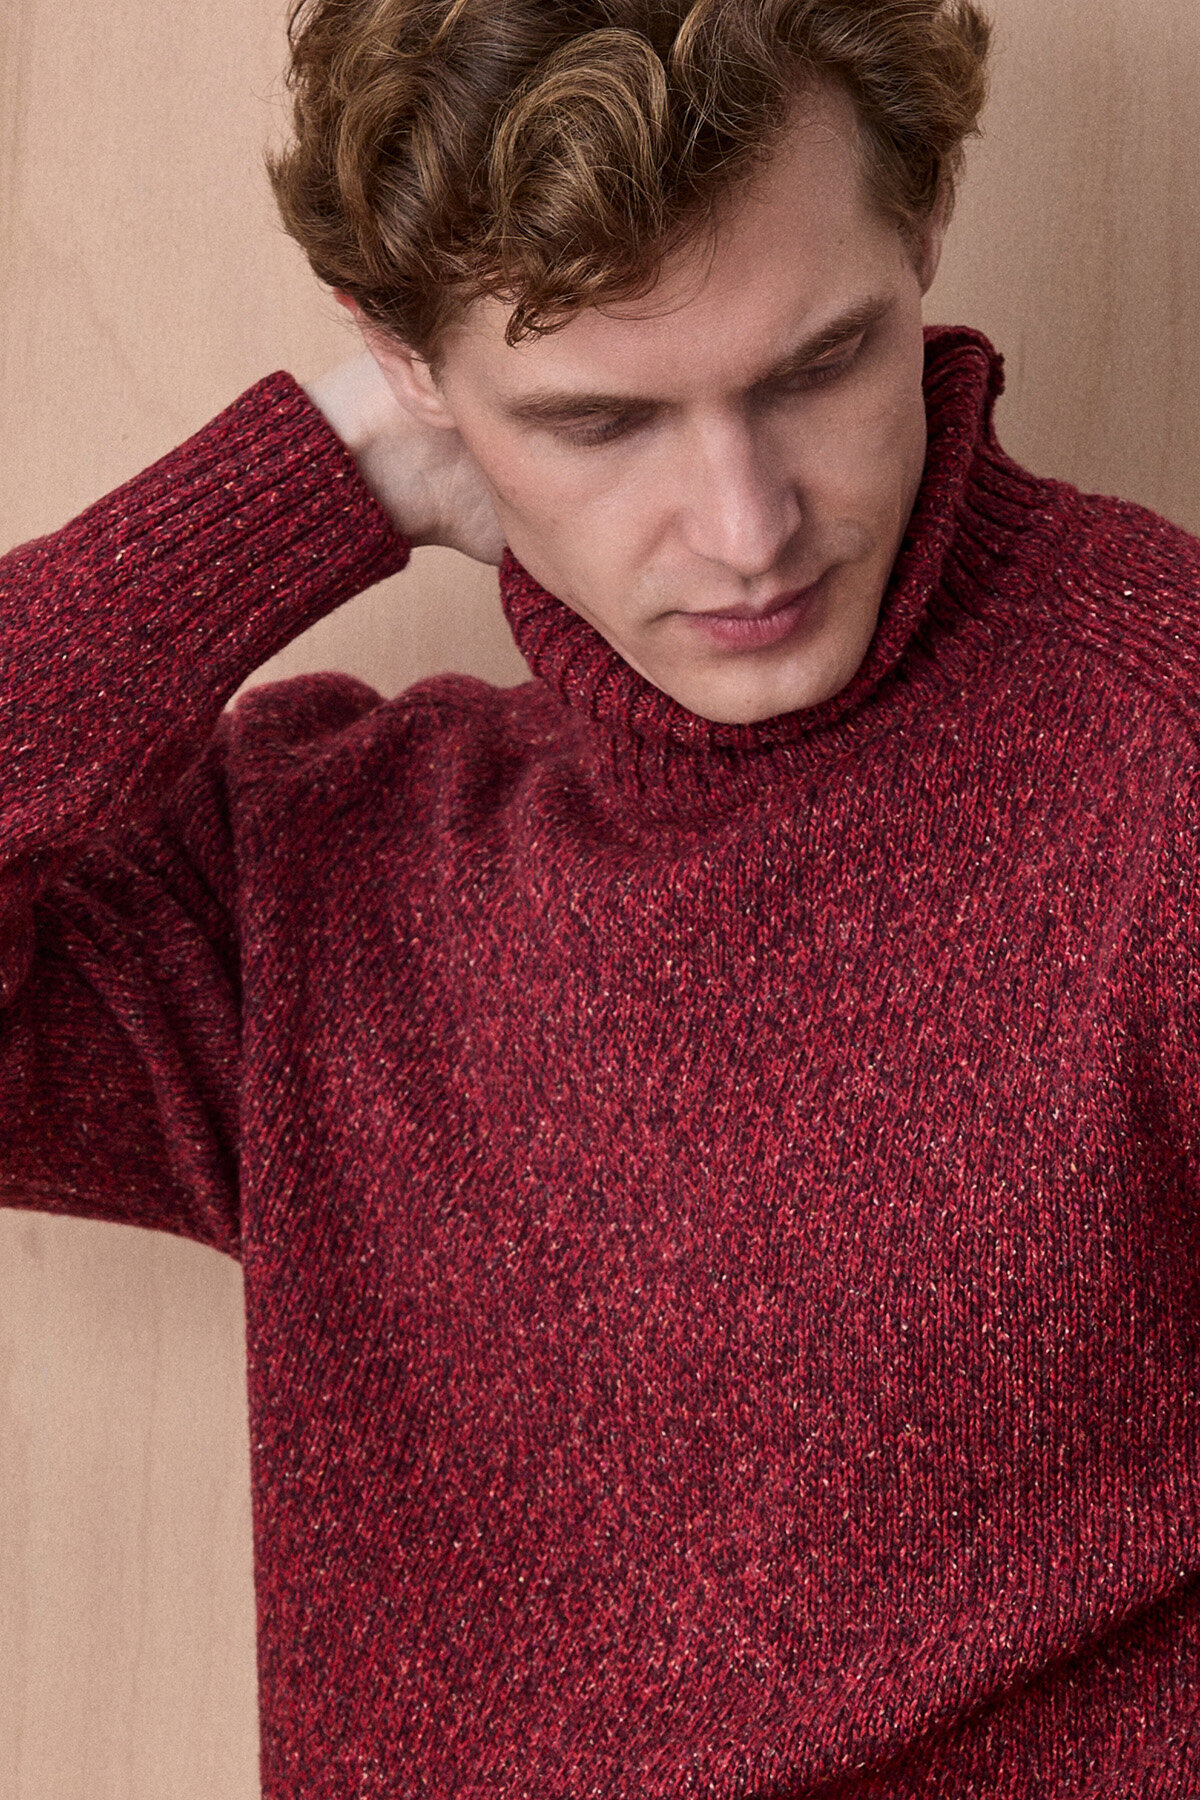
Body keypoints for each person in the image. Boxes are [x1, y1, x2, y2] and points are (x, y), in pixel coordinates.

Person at [4, 0, 1200, 1793]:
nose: (745, 526)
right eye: (599, 419)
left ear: (924, 233)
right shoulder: (321, 877)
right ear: (409, 366)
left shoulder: (1163, 751)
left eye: (817, 366)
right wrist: (299, 484)